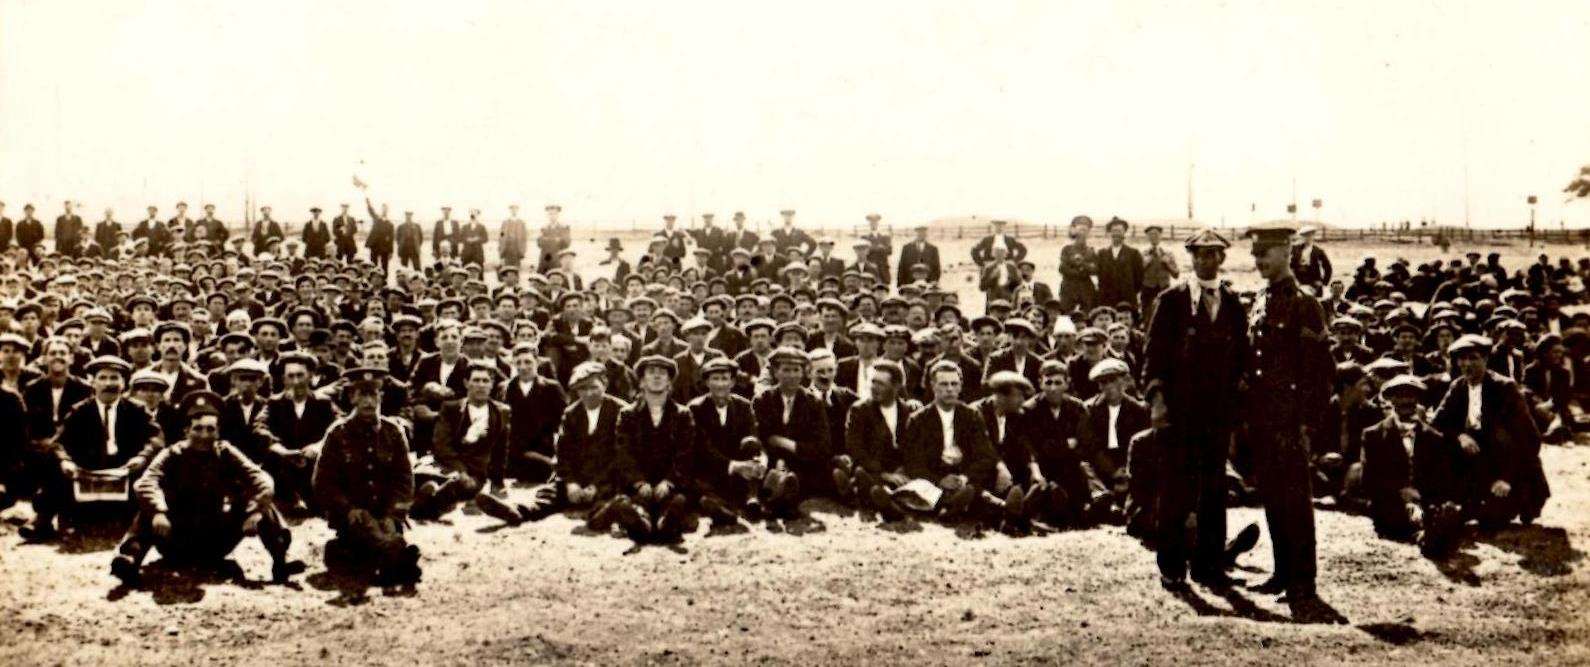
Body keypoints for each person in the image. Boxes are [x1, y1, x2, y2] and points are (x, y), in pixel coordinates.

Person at [1142, 228, 1251, 590]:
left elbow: (1241, 361)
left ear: (1222, 258)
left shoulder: (1233, 303)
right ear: (1191, 258)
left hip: (1216, 416)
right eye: (1200, 254)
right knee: (1175, 487)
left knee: (1214, 489)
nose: (1207, 260)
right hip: (1179, 413)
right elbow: (1153, 356)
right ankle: (1172, 565)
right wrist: (1157, 400)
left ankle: (1208, 565)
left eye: (1214, 254)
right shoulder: (1172, 300)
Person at [1243, 220, 1338, 620]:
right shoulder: (1261, 300)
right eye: (1256, 254)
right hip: (1264, 420)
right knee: (1274, 498)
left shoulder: (1305, 304)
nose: (1259, 260)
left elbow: (1321, 372)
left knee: (1296, 503)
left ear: (1287, 252)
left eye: (1266, 252)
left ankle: (1304, 584)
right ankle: (1282, 573)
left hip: (1290, 420)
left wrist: (1307, 425)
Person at [111, 391, 298, 586]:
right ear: (186, 431)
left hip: (215, 540)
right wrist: (159, 511)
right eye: (197, 429)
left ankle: (281, 560)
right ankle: (130, 559)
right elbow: (145, 482)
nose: (204, 435)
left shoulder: (226, 452)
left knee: (265, 505)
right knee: (147, 508)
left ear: (218, 432)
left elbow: (261, 479)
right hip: (174, 537)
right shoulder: (172, 454)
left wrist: (255, 511)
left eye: (210, 429)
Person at [22, 356, 163, 540]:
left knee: (151, 472)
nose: (108, 384)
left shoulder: (137, 410)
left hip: (126, 470)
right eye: (103, 378)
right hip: (88, 470)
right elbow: (58, 443)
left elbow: (156, 439)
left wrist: (142, 458)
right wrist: (66, 461)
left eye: (114, 378)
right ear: (93, 383)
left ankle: (143, 525)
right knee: (54, 464)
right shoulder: (80, 410)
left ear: (124, 382)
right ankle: (42, 520)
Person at [312, 368, 421, 586]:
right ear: (352, 397)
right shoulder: (338, 433)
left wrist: (393, 515)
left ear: (381, 396)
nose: (369, 401)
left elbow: (404, 479)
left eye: (374, 394)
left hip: (386, 515)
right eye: (362, 395)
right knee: (361, 542)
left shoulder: (393, 431)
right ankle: (397, 556)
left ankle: (390, 557)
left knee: (371, 547)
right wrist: (348, 509)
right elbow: (323, 482)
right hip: (353, 517)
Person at [1431, 334, 1551, 528]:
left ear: (1485, 359)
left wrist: (1507, 478)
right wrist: (1460, 436)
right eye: (1462, 359)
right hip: (1473, 459)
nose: (1466, 364)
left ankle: (1521, 500)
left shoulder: (1505, 388)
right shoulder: (1458, 387)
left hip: (1506, 462)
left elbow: (1528, 438)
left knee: (1493, 520)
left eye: (1473, 358)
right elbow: (1437, 423)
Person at [412, 362, 541, 525]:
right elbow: (441, 445)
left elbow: (501, 449)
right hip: (443, 464)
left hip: (475, 473)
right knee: (424, 478)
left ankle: (427, 504)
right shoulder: (450, 408)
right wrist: (460, 471)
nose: (481, 385)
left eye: (485, 381)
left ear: (492, 384)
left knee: (460, 487)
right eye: (476, 380)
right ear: (466, 383)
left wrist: (497, 482)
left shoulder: (502, 411)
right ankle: (427, 499)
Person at [1359, 375, 1465, 556]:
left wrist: (1420, 497)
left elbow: (1441, 478)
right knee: (1394, 516)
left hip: (1424, 502)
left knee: (1440, 512)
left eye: (1411, 396)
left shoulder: (1433, 437)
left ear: (1418, 400)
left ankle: (1432, 535)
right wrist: (1401, 491)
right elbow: (1369, 481)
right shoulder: (1373, 435)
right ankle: (1427, 537)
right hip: (1390, 502)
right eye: (1400, 396)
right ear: (1390, 399)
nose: (1406, 401)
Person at [609, 355, 697, 542]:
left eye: (662, 373)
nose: (657, 377)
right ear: (641, 381)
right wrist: (639, 482)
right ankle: (641, 521)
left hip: (670, 485)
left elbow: (685, 454)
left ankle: (667, 521)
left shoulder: (682, 414)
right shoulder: (627, 415)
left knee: (677, 501)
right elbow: (623, 453)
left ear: (669, 382)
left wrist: (669, 482)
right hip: (639, 485)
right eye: (651, 373)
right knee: (630, 503)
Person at [750, 347, 831, 518]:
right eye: (786, 370)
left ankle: (781, 497)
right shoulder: (763, 400)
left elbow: (822, 445)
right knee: (761, 470)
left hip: (801, 462)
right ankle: (777, 496)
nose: (792, 375)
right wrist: (777, 460)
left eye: (796, 370)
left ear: (803, 373)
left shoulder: (813, 402)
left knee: (802, 476)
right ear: (775, 373)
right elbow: (760, 436)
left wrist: (785, 443)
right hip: (770, 461)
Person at [686, 357, 766, 526]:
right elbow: (702, 448)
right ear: (707, 382)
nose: (720, 384)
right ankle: (718, 507)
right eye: (715, 379)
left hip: (740, 470)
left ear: (732, 382)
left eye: (725, 379)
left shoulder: (743, 406)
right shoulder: (695, 408)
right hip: (711, 468)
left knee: (750, 443)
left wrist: (760, 461)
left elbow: (754, 435)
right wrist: (733, 465)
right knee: (699, 485)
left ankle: (752, 498)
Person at [553, 362, 623, 512]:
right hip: (579, 476)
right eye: (583, 388)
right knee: (551, 492)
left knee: (615, 492)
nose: (588, 393)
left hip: (609, 475)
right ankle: (519, 511)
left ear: (604, 385)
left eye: (593, 387)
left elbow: (621, 455)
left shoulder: (621, 411)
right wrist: (571, 483)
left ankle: (603, 509)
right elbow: (563, 453)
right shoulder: (571, 414)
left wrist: (596, 485)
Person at [1095, 217, 1144, 309]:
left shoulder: (1133, 253)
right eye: (1114, 231)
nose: (1116, 234)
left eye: (1119, 231)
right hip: (1106, 298)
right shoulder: (1102, 253)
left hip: (1127, 297)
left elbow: (1139, 277)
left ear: (1124, 233)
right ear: (1110, 233)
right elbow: (1099, 275)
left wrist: (1131, 290)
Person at [1058, 216, 1099, 313]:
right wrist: (1082, 271)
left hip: (1086, 290)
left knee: (1087, 315)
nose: (1082, 233)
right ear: (1075, 231)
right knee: (1066, 315)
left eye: (1085, 230)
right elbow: (1062, 268)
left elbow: (1095, 270)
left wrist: (1082, 264)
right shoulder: (1067, 249)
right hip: (1068, 289)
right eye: (1080, 230)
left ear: (1088, 232)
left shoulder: (1091, 251)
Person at [1139, 224, 1179, 320]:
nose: (1154, 237)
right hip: (1147, 289)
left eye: (1156, 234)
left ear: (1161, 236)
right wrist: (1144, 265)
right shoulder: (1142, 253)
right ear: (1147, 237)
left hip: (1164, 288)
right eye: (1151, 235)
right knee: (1147, 315)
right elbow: (1136, 274)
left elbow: (1176, 274)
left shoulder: (1168, 253)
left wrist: (1168, 264)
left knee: (1165, 315)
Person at [1290, 226, 1333, 294]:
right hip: (1299, 281)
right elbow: (1290, 266)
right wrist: (1294, 281)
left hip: (1313, 282)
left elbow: (1328, 268)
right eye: (1305, 235)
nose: (1307, 238)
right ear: (1301, 237)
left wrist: (1323, 282)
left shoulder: (1318, 251)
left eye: (1310, 235)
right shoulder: (1295, 249)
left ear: (1313, 236)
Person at [365, 197, 395, 271]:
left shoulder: (390, 224)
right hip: (374, 246)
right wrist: (368, 203)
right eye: (383, 209)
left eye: (386, 209)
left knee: (384, 266)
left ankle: (384, 280)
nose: (384, 211)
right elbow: (371, 211)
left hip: (384, 248)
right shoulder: (376, 219)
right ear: (381, 210)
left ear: (387, 211)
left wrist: (391, 252)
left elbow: (391, 239)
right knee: (373, 265)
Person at [500, 204, 527, 269]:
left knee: (516, 269)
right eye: (512, 209)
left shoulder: (521, 223)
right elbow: (501, 237)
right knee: (506, 269)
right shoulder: (505, 223)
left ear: (517, 210)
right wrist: (501, 251)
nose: (513, 211)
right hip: (507, 250)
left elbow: (524, 238)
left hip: (517, 251)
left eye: (515, 209)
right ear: (510, 210)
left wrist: (522, 251)